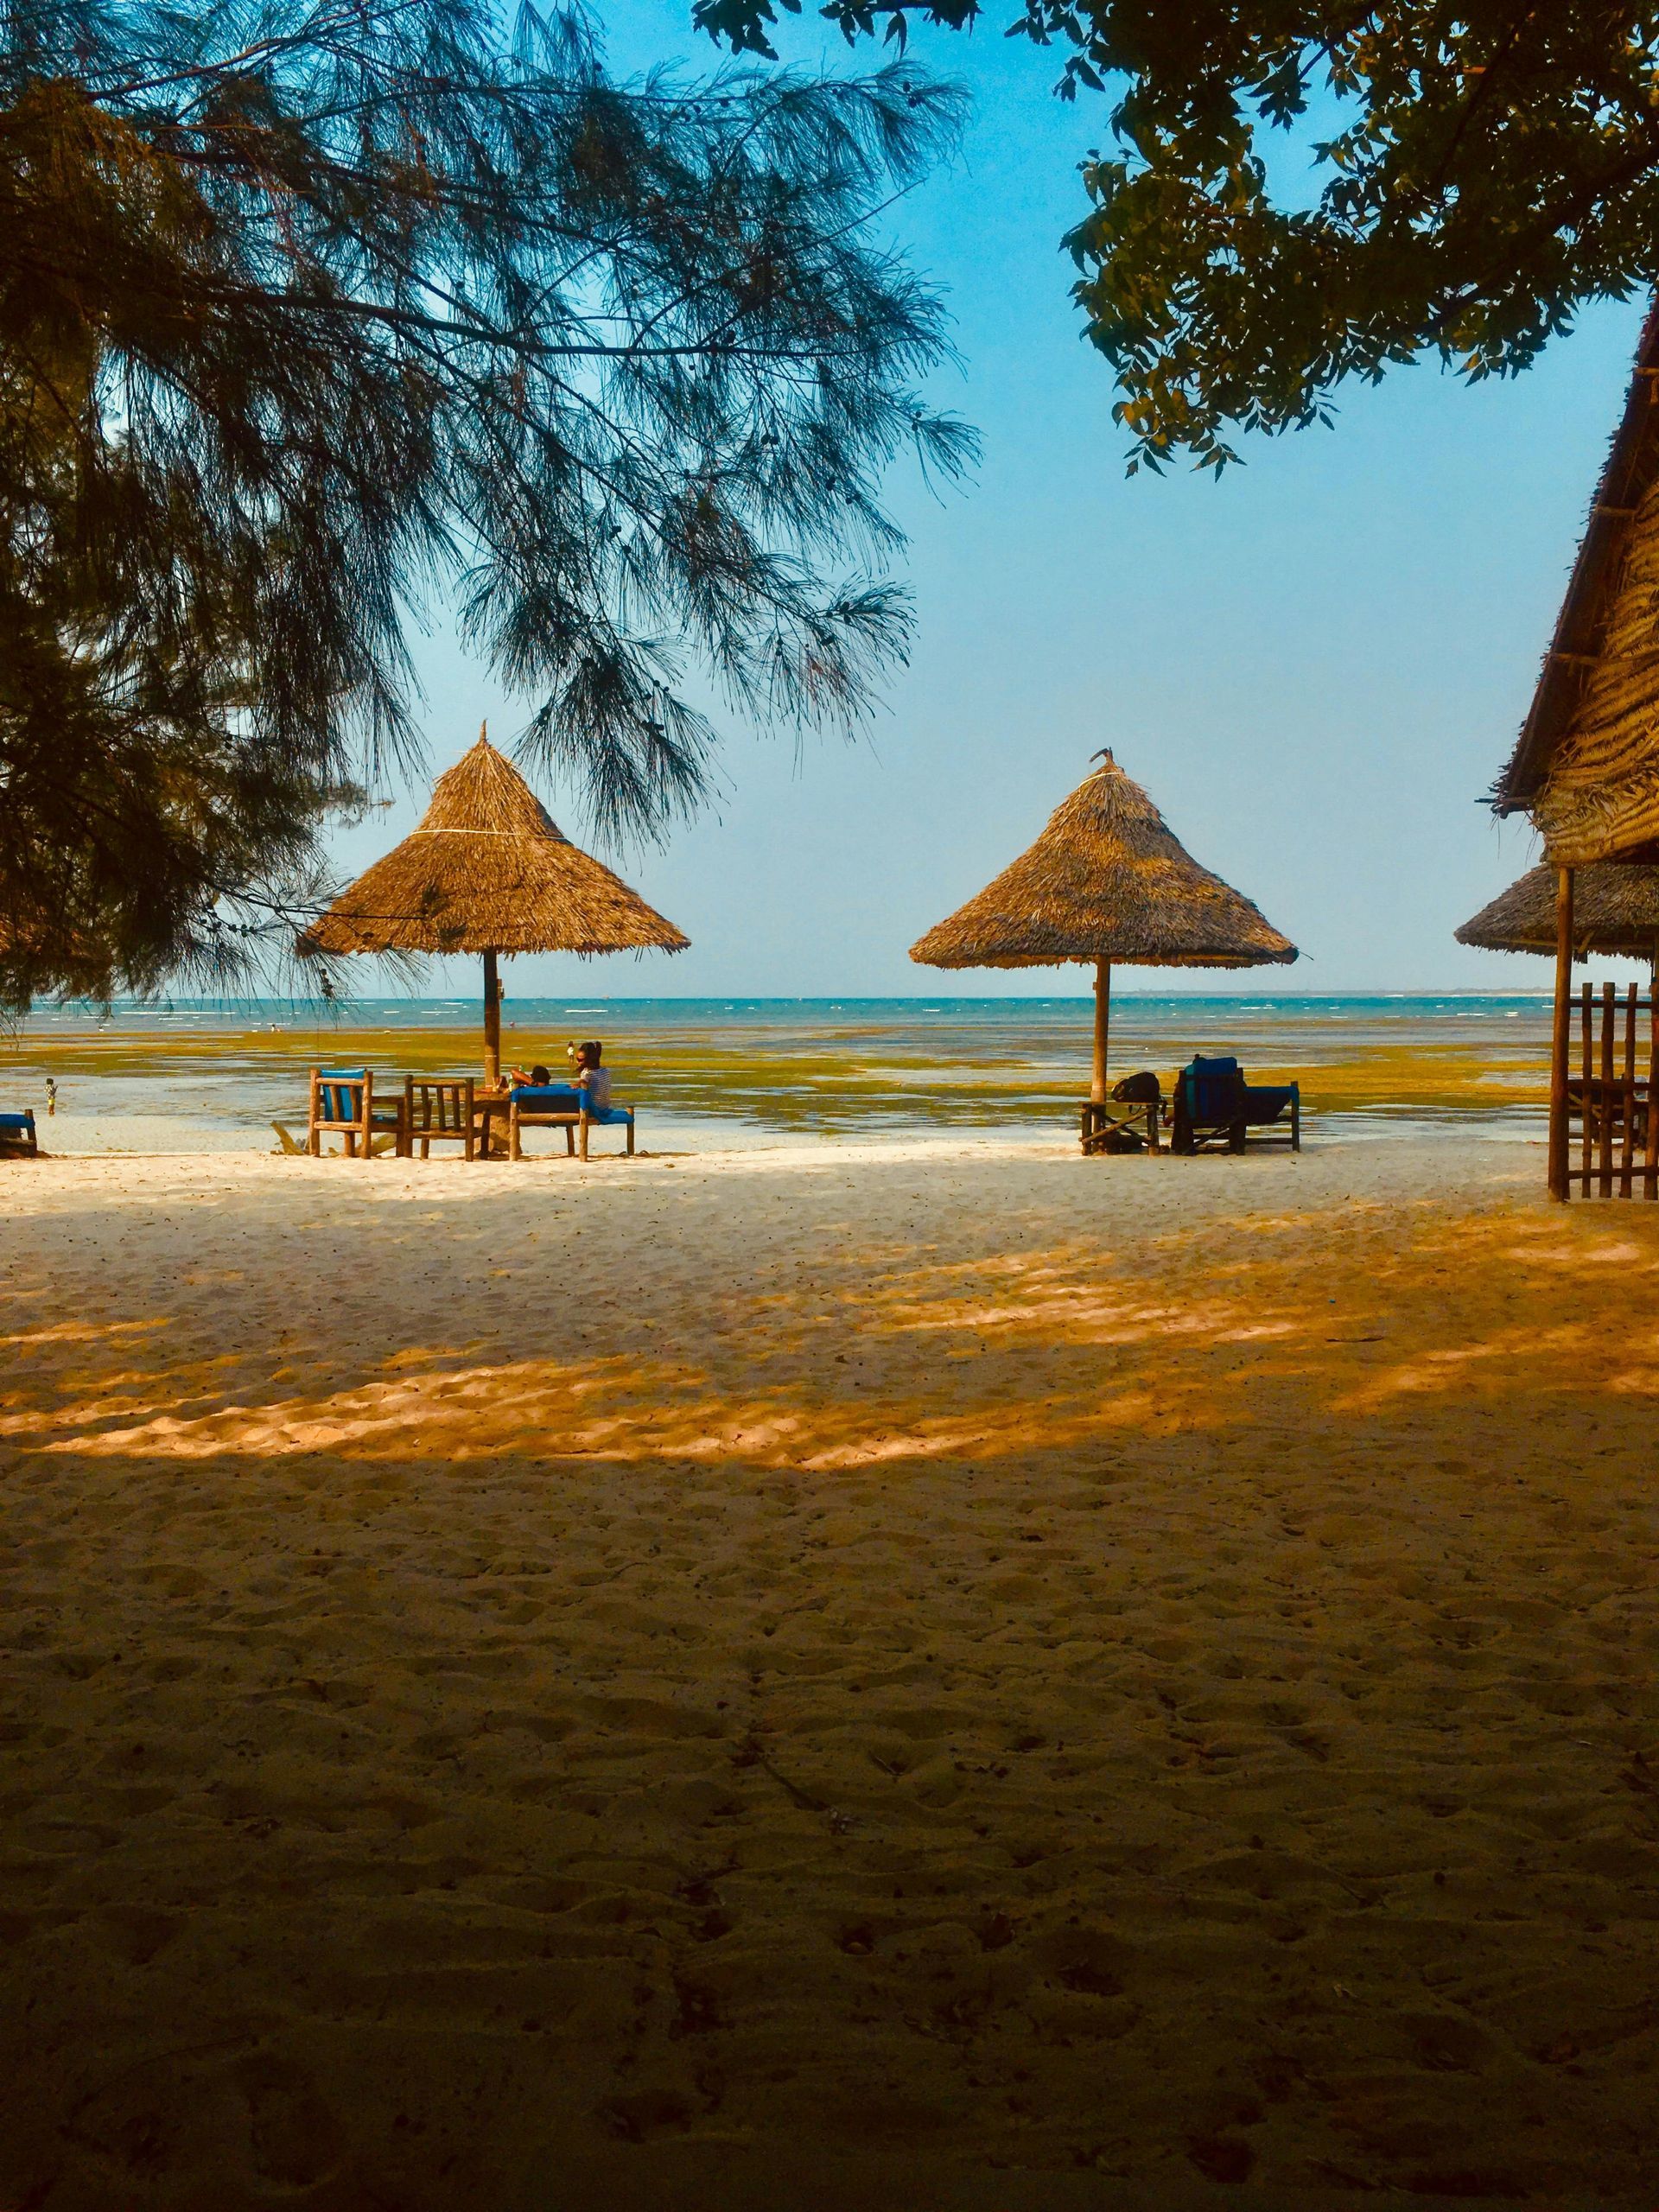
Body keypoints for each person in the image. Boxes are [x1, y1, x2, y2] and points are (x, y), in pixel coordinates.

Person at [571, 1040, 612, 1113]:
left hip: (593, 1109)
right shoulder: (606, 1071)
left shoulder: (587, 1073)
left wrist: (577, 1084)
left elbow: (583, 1081)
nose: (578, 1062)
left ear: (590, 1059)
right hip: (605, 1107)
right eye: (577, 1059)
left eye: (580, 1060)